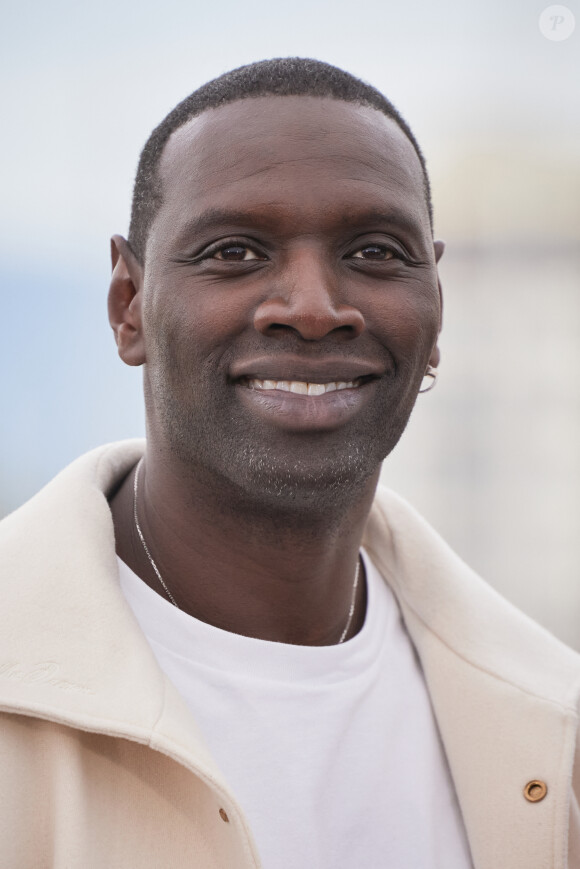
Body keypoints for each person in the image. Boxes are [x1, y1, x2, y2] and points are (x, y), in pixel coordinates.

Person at [0, 58, 579, 869]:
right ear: (128, 305)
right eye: (235, 251)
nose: (312, 307)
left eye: (376, 250)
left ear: (437, 307)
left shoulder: (552, 725)